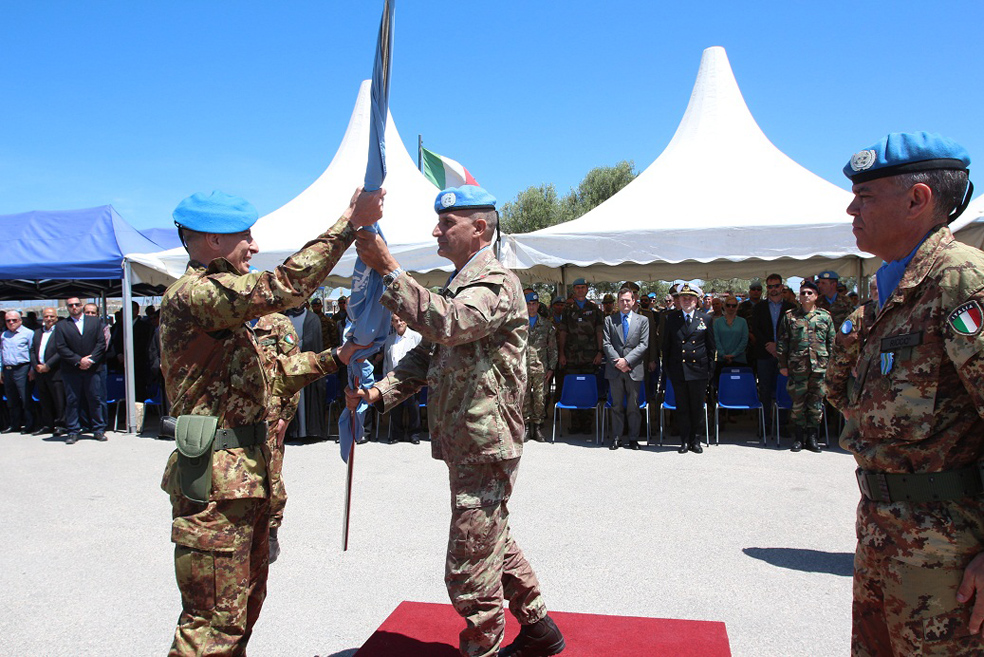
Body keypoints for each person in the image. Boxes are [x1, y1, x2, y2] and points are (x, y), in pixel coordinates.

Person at [159, 187, 381, 655]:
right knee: (212, 625)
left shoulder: (225, 310)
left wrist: (335, 357)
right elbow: (285, 285)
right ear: (213, 241)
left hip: (248, 479)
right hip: (216, 485)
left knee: (241, 610)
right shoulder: (195, 295)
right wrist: (348, 223)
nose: (253, 246)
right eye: (245, 236)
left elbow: (272, 378)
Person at [348, 184, 565, 657]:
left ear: (479, 228)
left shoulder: (496, 282)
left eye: (447, 223)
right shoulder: (460, 285)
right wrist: (375, 392)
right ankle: (539, 629)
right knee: (491, 536)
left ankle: (481, 648)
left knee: (468, 557)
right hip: (467, 440)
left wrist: (389, 269)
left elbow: (452, 323)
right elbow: (426, 356)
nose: (436, 231)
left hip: (487, 441)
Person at [840, 131, 984, 655]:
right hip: (884, 534)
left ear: (917, 199)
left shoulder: (963, 282)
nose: (851, 208)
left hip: (949, 554)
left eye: (866, 197)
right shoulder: (889, 289)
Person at [252, 311, 301, 564]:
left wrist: (286, 414)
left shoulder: (278, 323)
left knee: (271, 474)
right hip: (238, 415)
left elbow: (294, 370)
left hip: (270, 417)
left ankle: (271, 535)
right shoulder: (233, 318)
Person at [776, 281, 834, 452]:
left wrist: (831, 366)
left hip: (819, 367)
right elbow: (782, 342)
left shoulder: (825, 317)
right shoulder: (790, 316)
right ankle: (798, 438)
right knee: (798, 404)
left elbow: (832, 343)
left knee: (815, 404)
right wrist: (782, 364)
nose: (806, 296)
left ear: (816, 296)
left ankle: (813, 437)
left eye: (809, 293)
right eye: (803, 293)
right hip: (797, 367)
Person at [661, 283, 714, 454]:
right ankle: (684, 441)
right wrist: (669, 370)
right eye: (683, 298)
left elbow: (711, 347)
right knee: (682, 408)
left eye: (690, 298)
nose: (686, 300)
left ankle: (696, 440)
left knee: (697, 408)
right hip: (679, 370)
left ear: (697, 300)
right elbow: (666, 347)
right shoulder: (672, 319)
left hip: (698, 370)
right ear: (679, 300)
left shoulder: (705, 319)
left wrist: (709, 371)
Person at [602, 287, 650, 450]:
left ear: (633, 301)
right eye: (622, 300)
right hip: (615, 370)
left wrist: (627, 361)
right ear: (618, 302)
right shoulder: (610, 320)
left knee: (633, 406)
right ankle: (616, 438)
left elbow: (644, 344)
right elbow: (606, 343)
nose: (625, 303)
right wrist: (618, 362)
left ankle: (633, 438)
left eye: (628, 300)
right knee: (616, 406)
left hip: (633, 368)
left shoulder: (642, 321)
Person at [55, 298, 107, 444]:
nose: (74, 307)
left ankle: (98, 429)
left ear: (81, 306)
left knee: (95, 399)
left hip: (93, 368)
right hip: (72, 370)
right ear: (67, 308)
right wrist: (79, 360)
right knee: (72, 401)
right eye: (71, 305)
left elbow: (101, 343)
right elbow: (61, 347)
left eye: (77, 304)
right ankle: (73, 431)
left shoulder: (95, 322)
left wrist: (90, 360)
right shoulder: (61, 326)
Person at [557, 277, 603, 434]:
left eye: (583, 287)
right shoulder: (567, 309)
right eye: (577, 288)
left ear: (587, 289)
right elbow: (563, 332)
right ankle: (575, 423)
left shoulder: (595, 308)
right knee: (574, 388)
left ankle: (587, 423)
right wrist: (561, 353)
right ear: (574, 290)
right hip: (571, 355)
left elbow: (599, 331)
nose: (580, 290)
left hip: (590, 355)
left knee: (588, 388)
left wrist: (600, 351)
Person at [751, 274, 796, 435]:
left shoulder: (791, 308)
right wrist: (769, 345)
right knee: (764, 389)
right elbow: (756, 329)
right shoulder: (759, 307)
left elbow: (793, 332)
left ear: (781, 286)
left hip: (784, 355)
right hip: (765, 353)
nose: (773, 290)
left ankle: (781, 425)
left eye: (776, 286)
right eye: (770, 287)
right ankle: (765, 424)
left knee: (783, 388)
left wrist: (780, 347)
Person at [382, 313, 423, 444]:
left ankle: (414, 435)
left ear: (407, 321)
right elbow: (386, 360)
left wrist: (420, 381)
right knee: (395, 407)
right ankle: (397, 434)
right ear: (392, 324)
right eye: (396, 321)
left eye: (401, 320)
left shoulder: (416, 337)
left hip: (411, 378)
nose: (399, 323)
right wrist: (385, 380)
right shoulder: (389, 339)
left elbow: (422, 359)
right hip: (393, 378)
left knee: (413, 406)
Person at [523, 291, 556, 444]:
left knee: (540, 398)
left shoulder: (547, 324)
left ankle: (537, 427)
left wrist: (551, 368)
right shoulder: (519, 323)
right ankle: (526, 427)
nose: (532, 307)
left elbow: (552, 348)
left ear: (538, 305)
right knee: (524, 398)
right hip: (522, 367)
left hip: (540, 367)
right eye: (529, 304)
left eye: (534, 304)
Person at [30, 307, 66, 436]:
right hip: (40, 372)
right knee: (44, 400)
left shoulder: (60, 331)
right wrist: (36, 365)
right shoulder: (37, 332)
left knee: (59, 400)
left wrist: (48, 365)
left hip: (55, 372)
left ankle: (61, 425)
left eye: (52, 316)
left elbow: (61, 350)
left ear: (56, 318)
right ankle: (47, 425)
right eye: (46, 316)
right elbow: (33, 350)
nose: (49, 319)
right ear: (42, 318)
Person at [1, 310, 35, 433]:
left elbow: (33, 353)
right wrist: (1, 370)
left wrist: (32, 369)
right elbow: (2, 353)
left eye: (14, 320)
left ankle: (29, 425)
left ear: (20, 320)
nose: (11, 322)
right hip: (8, 369)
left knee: (25, 399)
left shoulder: (28, 333)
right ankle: (14, 424)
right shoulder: (4, 335)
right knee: (11, 400)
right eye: (8, 320)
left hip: (23, 368)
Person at [713, 294, 749, 379]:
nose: (731, 308)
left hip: (739, 360)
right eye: (728, 305)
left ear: (737, 307)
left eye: (734, 306)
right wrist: (723, 355)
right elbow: (716, 340)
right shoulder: (718, 322)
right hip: (722, 360)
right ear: (724, 306)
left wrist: (733, 354)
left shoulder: (743, 322)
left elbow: (744, 340)